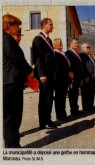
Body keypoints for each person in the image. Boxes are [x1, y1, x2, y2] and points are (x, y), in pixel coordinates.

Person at [3, 14, 33, 148]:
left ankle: (11, 146)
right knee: (13, 119)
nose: (18, 28)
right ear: (9, 25)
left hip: (7, 82)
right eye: (17, 25)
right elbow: (18, 60)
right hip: (11, 84)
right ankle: (13, 148)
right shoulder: (7, 39)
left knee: (8, 119)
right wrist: (30, 71)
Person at [32, 18, 58, 129]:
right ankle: (44, 122)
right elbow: (38, 58)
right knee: (45, 98)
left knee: (48, 97)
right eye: (50, 25)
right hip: (44, 75)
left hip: (50, 74)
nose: (52, 26)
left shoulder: (49, 40)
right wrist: (42, 74)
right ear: (44, 25)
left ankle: (47, 119)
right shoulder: (38, 39)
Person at [53, 38, 72, 121]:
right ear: (56, 44)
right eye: (60, 43)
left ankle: (63, 113)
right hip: (59, 78)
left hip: (65, 78)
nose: (61, 44)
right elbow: (57, 68)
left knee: (63, 97)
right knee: (59, 97)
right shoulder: (55, 53)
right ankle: (59, 115)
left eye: (61, 43)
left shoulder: (63, 53)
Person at [66, 38, 84, 116]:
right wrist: (71, 75)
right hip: (73, 77)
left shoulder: (77, 53)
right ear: (71, 44)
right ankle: (73, 110)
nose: (77, 44)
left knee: (76, 93)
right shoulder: (69, 53)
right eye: (75, 43)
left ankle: (75, 109)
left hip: (78, 77)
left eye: (77, 43)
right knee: (72, 93)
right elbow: (69, 65)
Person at [80, 44, 95, 111]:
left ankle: (90, 105)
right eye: (87, 47)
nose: (88, 48)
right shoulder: (82, 55)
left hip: (92, 76)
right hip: (87, 77)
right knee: (85, 92)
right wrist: (85, 76)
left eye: (89, 47)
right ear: (83, 48)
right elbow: (84, 67)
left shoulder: (90, 55)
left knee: (91, 92)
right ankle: (86, 107)